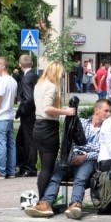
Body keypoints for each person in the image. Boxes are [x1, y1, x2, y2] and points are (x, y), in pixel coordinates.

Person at [25, 99, 111, 219]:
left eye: (110, 112)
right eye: (106, 111)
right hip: (71, 157)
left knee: (80, 179)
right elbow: (71, 141)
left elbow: (103, 150)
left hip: (88, 161)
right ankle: (46, 203)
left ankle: (75, 205)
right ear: (96, 110)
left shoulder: (107, 129)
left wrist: (85, 155)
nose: (108, 114)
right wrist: (84, 148)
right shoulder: (81, 122)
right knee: (55, 176)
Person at [33, 61, 76, 197]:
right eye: (61, 75)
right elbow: (47, 108)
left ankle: (43, 197)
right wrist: (66, 112)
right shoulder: (51, 87)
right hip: (48, 128)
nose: (62, 78)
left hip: (38, 126)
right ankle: (44, 199)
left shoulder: (39, 85)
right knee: (48, 168)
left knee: (44, 167)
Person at [0, 57, 18, 179]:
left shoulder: (1, 81)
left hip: (0, 117)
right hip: (9, 116)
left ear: (3, 66)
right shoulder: (13, 81)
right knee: (11, 145)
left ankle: (0, 172)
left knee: (0, 145)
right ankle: (11, 171)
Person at [15, 54, 39, 177]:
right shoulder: (35, 76)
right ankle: (24, 165)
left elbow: (29, 98)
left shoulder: (26, 79)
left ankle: (29, 167)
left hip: (29, 114)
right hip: (35, 113)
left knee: (28, 141)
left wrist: (22, 110)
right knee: (21, 140)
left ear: (20, 65)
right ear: (32, 64)